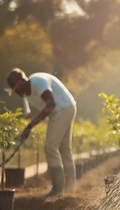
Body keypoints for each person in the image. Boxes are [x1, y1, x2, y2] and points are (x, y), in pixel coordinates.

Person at [7, 68, 77, 197]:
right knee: (64, 148)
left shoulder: (38, 82)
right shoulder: (26, 93)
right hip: (66, 107)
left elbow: (50, 104)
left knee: (50, 147)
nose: (16, 92)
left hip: (63, 109)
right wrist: (28, 128)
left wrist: (30, 125)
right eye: (14, 90)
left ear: (23, 81)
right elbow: (36, 112)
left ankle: (58, 188)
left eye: (16, 88)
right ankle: (69, 188)